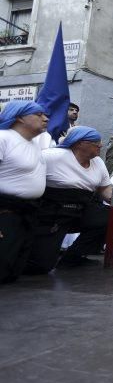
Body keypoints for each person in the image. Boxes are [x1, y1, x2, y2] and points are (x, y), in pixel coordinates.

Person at [27, 127, 113, 273]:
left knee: (109, 217)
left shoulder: (98, 162)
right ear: (80, 143)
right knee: (40, 266)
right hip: (53, 211)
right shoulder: (51, 156)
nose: (100, 145)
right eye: (95, 142)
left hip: (83, 207)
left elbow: (105, 189)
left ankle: (74, 257)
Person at [0, 100, 48, 283]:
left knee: (14, 271)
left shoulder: (34, 144)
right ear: (19, 117)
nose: (45, 118)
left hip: (28, 213)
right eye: (38, 114)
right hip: (5, 213)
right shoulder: (3, 138)